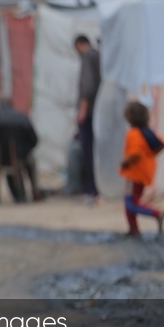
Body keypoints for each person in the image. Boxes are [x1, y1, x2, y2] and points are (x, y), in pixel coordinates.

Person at [119, 101, 164, 236]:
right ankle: (133, 229)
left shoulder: (133, 133)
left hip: (134, 173)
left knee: (130, 203)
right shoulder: (147, 132)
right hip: (143, 173)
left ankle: (157, 213)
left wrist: (124, 161)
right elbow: (161, 144)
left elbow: (135, 153)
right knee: (131, 201)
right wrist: (150, 156)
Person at [74, 35, 101, 203]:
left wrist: (82, 110)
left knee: (88, 150)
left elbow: (87, 85)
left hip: (90, 112)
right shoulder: (98, 55)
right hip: (98, 112)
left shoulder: (88, 56)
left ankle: (91, 189)